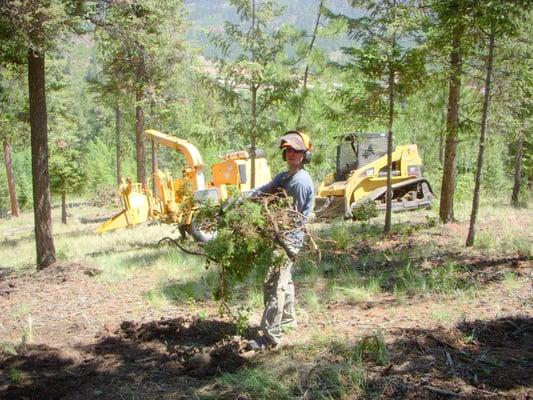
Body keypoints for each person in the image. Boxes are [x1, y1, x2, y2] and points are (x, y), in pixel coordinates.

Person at [248, 130, 314, 350]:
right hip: (281, 237)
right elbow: (265, 190)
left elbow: (287, 217)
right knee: (285, 281)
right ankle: (287, 320)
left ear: (304, 155)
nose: (292, 154)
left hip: (287, 239)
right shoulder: (285, 176)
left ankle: (270, 336)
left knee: (274, 283)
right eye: (288, 150)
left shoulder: (300, 182)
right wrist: (245, 197)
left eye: (297, 150)